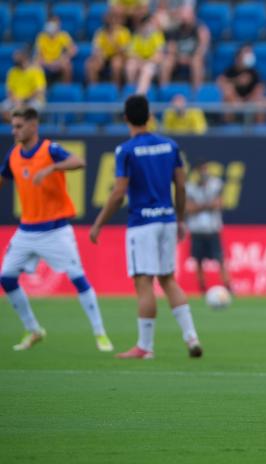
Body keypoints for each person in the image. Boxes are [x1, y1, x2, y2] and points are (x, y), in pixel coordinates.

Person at [90, 95, 202, 360]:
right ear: (150, 115)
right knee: (168, 279)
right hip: (166, 219)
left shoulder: (126, 150)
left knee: (144, 282)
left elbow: (118, 193)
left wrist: (98, 224)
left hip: (142, 223)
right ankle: (191, 338)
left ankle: (145, 346)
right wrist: (181, 219)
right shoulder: (170, 145)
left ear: (126, 118)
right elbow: (182, 186)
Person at [0, 107, 113, 352]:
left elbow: (78, 161)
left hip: (55, 231)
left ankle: (100, 333)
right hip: (26, 231)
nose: (14, 131)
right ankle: (33, 329)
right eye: (13, 126)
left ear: (33, 126)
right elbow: (3, 178)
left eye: (19, 126)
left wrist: (52, 168)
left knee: (78, 278)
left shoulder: (49, 149)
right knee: (6, 277)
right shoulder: (14, 155)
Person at [185, 163, 233, 293]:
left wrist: (199, 206)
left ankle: (227, 285)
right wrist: (207, 205)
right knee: (199, 260)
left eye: (205, 169)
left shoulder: (215, 184)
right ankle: (202, 287)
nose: (203, 173)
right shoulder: (190, 187)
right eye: (200, 170)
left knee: (220, 258)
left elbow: (218, 203)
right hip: (197, 230)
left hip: (212, 229)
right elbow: (189, 208)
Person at [159, 6, 209, 90]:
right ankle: (164, 89)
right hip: (177, 57)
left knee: (197, 61)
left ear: (192, 16)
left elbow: (202, 47)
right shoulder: (175, 30)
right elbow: (171, 47)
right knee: (167, 61)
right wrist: (179, 57)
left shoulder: (200, 29)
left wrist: (193, 56)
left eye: (187, 16)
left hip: (192, 57)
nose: (184, 19)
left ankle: (196, 92)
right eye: (182, 16)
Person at [216, 44, 266, 123]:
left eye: (250, 53)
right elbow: (220, 81)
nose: (249, 56)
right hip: (234, 101)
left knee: (260, 102)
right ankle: (229, 128)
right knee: (228, 92)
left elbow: (260, 88)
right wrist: (237, 81)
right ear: (238, 57)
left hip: (250, 101)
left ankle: (261, 130)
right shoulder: (231, 71)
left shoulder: (254, 72)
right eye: (246, 53)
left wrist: (249, 100)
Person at [86, 13, 132, 87]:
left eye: (114, 20)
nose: (111, 23)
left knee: (116, 63)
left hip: (118, 56)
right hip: (104, 57)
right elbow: (96, 48)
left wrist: (115, 44)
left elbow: (125, 52)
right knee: (90, 64)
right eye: (109, 21)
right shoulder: (100, 32)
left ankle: (116, 88)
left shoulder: (124, 32)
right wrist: (99, 56)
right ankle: (94, 88)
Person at [125, 15, 165, 95]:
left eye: (150, 24)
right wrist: (140, 61)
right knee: (130, 65)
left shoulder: (157, 36)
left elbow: (159, 56)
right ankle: (130, 89)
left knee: (146, 69)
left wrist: (144, 62)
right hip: (140, 61)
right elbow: (131, 53)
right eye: (145, 25)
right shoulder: (136, 36)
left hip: (153, 64)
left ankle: (139, 95)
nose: (148, 27)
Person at [2, 50, 47, 120]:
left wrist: (24, 100)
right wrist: (16, 100)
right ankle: (16, 127)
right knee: (3, 108)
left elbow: (39, 91)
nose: (16, 62)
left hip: (33, 100)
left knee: (26, 110)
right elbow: (10, 91)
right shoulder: (12, 71)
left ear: (25, 59)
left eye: (19, 60)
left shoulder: (36, 70)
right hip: (16, 100)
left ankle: (23, 126)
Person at [34, 16, 77, 84]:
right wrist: (47, 63)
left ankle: (66, 87)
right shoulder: (41, 37)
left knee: (67, 65)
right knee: (35, 65)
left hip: (58, 62)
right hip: (45, 62)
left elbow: (73, 50)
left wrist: (64, 58)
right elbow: (38, 54)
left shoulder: (63, 36)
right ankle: (40, 88)